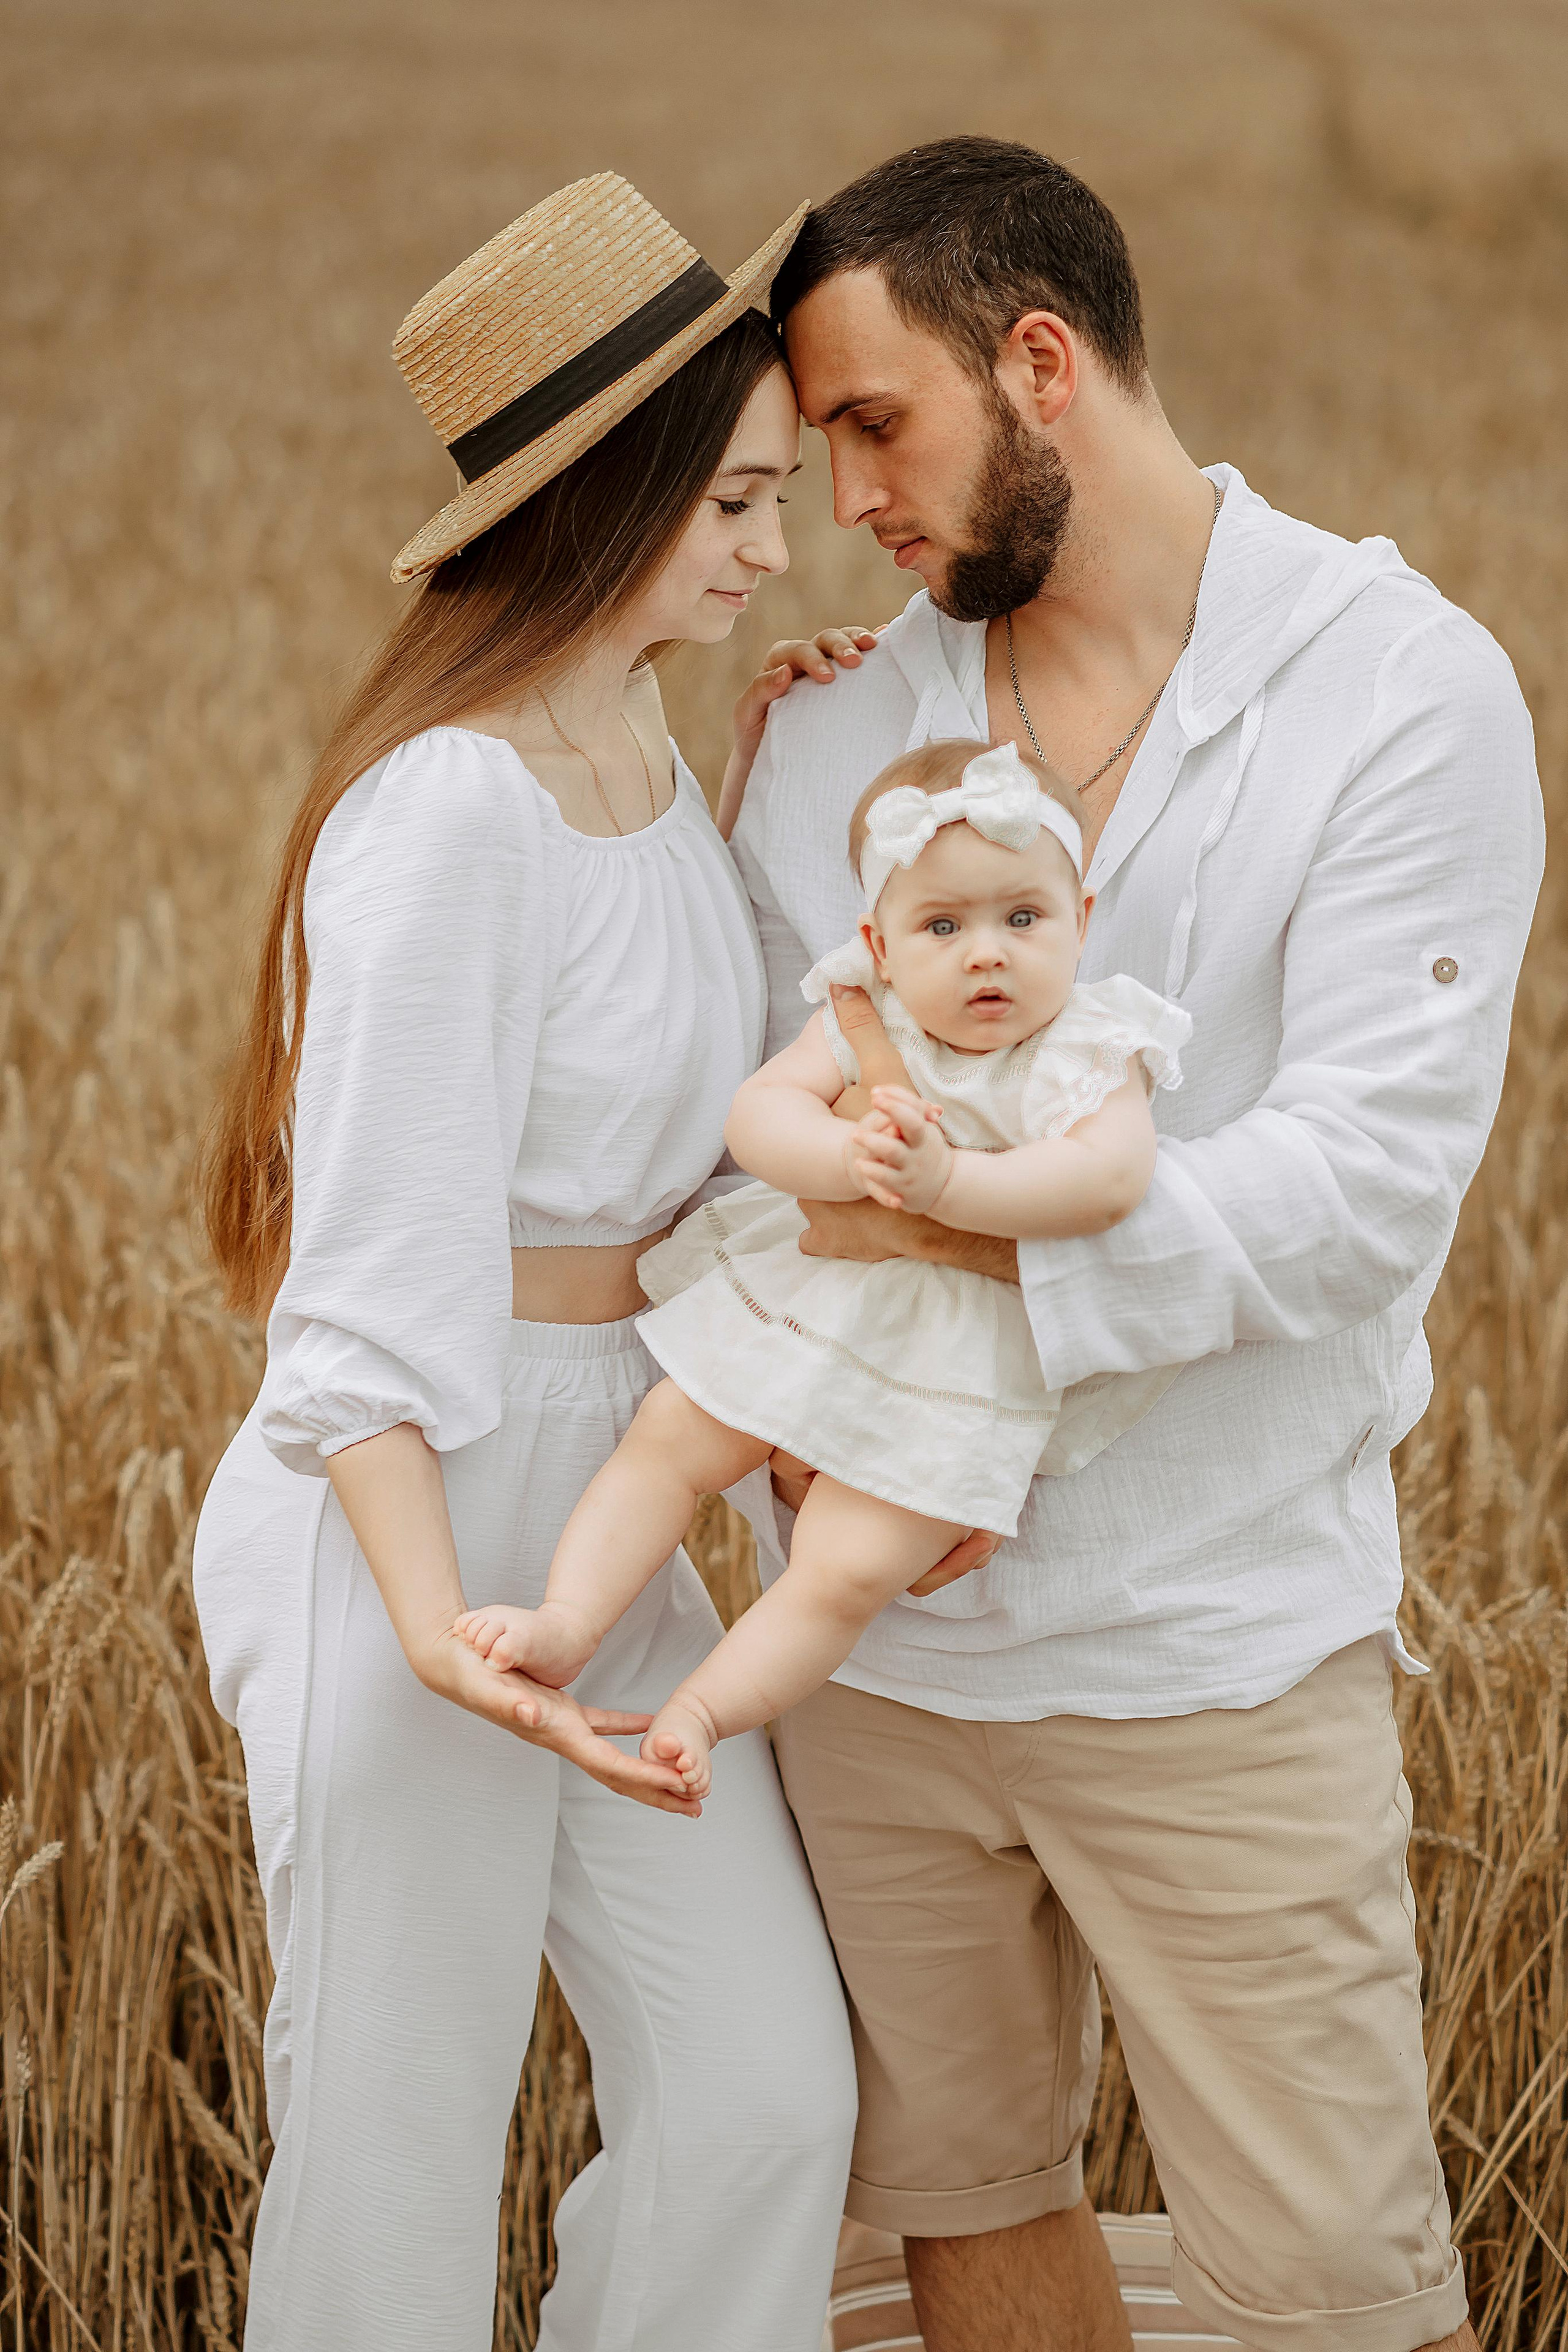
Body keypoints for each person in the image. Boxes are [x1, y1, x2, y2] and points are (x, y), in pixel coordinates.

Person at [726, 137, 1543, 2352]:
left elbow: (1361, 1184)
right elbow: (761, 1125)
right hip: (876, 1659)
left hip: (1219, 1637)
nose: (847, 503)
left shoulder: (1404, 690)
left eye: (875, 426)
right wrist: (818, 1433)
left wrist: (951, 1290)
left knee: (1335, 2291)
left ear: (1041, 361)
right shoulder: (838, 721)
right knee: (960, 2214)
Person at [190, 174, 862, 2352]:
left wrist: (781, 781)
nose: (774, 552)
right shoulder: (448, 813)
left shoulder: (646, 751)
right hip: (414, 1524)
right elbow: (364, 1275)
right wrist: (425, 1626)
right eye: (737, 501)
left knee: (764, 2098)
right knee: (395, 2145)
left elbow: (713, 1101)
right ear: (609, 492)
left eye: (778, 499)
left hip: (606, 1519)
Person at [457, 738, 1188, 1800]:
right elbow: (759, 1116)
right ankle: (568, 1620)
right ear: (879, 945)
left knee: (847, 1565)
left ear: (1081, 917)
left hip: (963, 1354)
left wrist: (947, 1184)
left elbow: (1110, 1179)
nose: (987, 955)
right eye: (943, 927)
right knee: (668, 1437)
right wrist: (845, 1158)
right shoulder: (865, 1012)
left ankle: (703, 1712)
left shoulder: (1090, 1044)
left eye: (1024, 918)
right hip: (820, 1294)